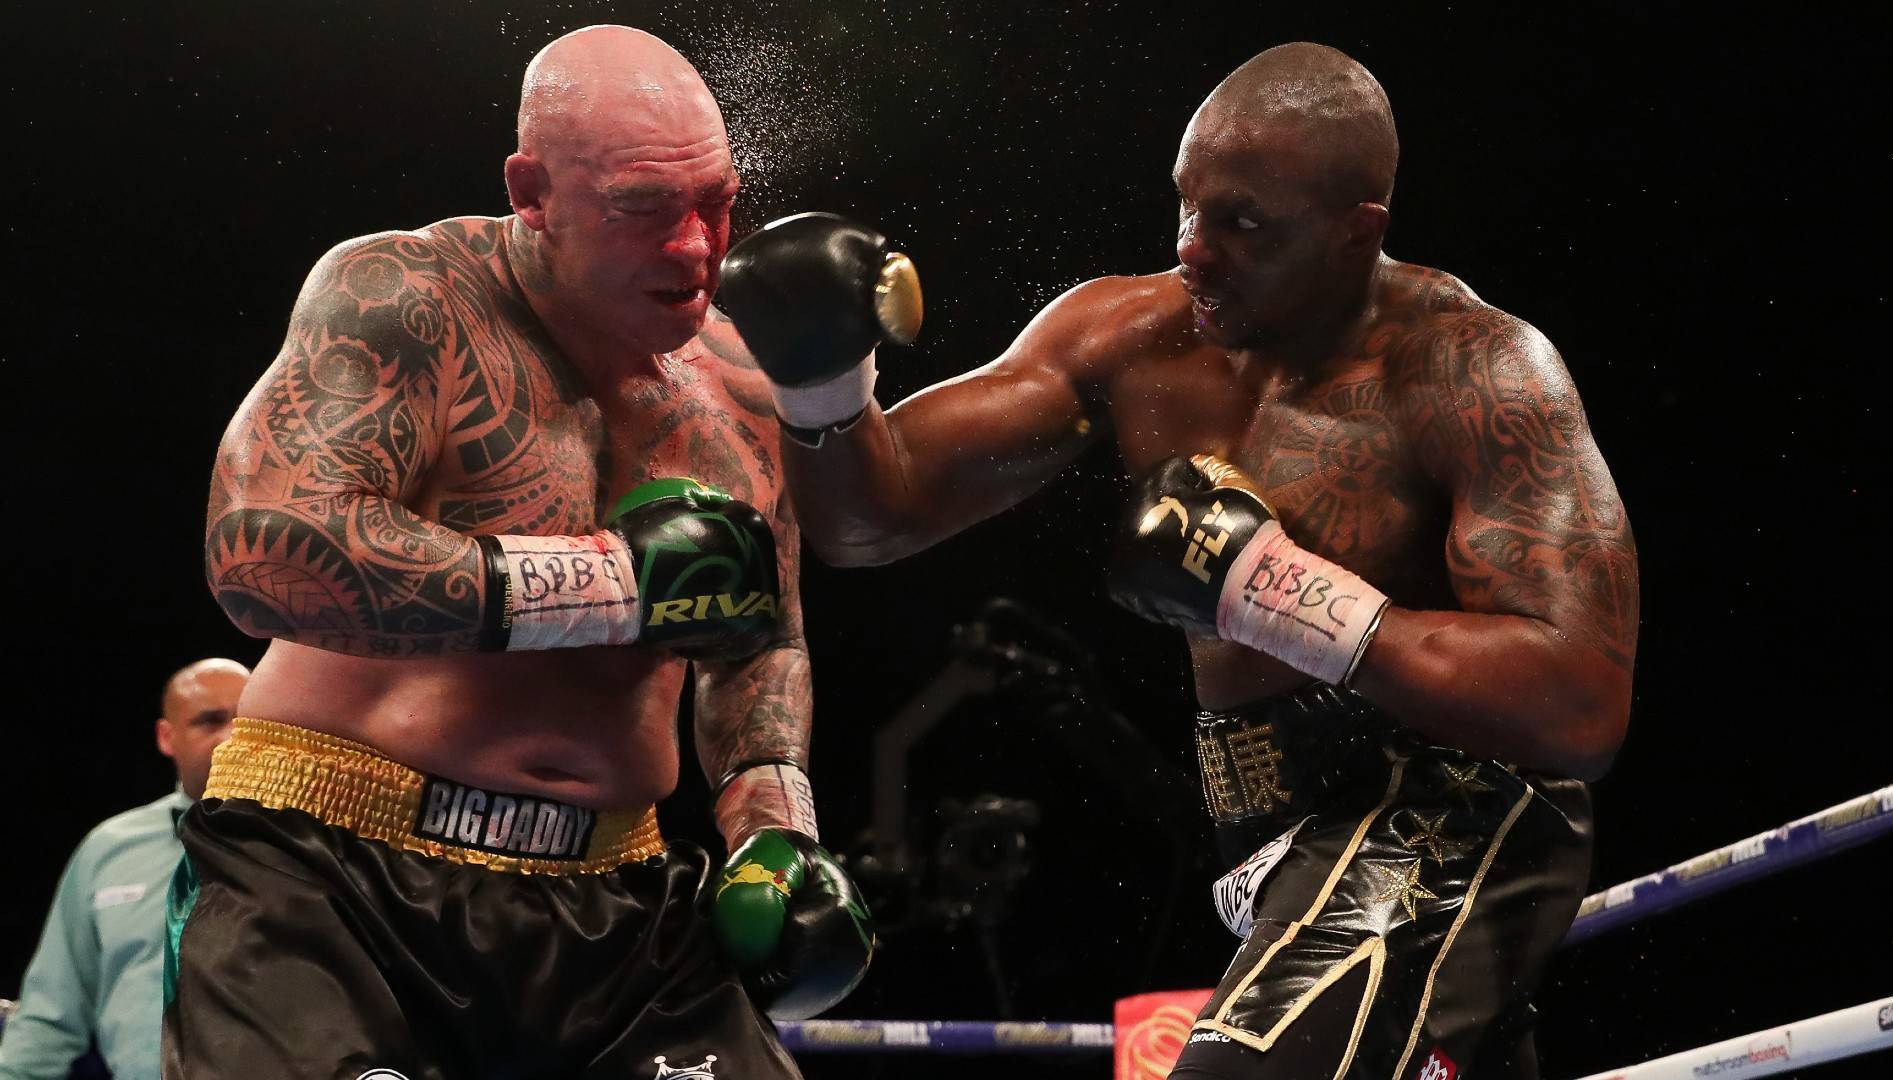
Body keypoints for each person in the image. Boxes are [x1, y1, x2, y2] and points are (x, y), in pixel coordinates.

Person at [718, 42, 1638, 1080]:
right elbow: (869, 522)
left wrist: (1276, 591)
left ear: (1356, 232)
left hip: (1451, 812)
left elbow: (1581, 704)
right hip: (1273, 841)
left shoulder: (1473, 371)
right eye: (1188, 204)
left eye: (1243, 223)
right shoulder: (1131, 337)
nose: (1194, 248)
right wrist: (822, 382)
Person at [184, 24, 870, 1080]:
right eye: (645, 207)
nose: (697, 246)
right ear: (533, 192)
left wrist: (774, 834)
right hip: (336, 870)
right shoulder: (408, 299)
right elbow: (262, 547)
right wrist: (608, 585)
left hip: (613, 898)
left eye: (717, 202)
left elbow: (757, 635)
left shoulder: (738, 381)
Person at [0, 659, 247, 1080]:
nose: (231, 737)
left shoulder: (311, 844)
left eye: (245, 722)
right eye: (210, 721)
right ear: (167, 737)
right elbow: (51, 1015)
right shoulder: (110, 848)